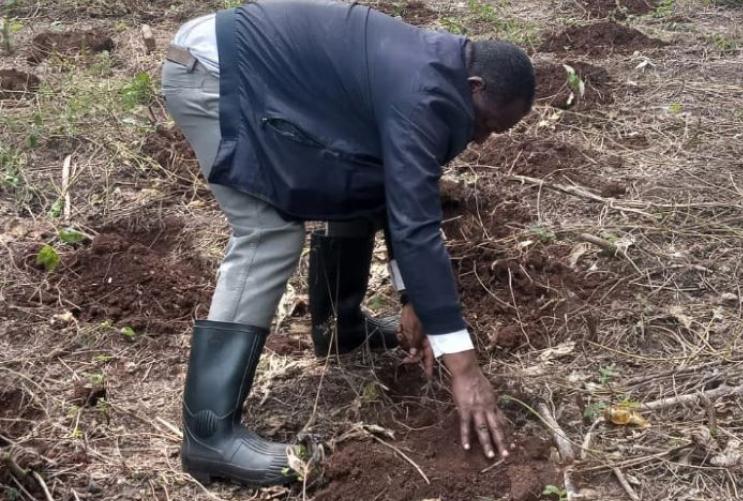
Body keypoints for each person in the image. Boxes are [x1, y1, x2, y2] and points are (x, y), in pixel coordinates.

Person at [161, 0, 535, 487]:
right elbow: (416, 225)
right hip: (215, 74)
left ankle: (341, 326)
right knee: (267, 232)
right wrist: (463, 368)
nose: (482, 139)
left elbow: (396, 190)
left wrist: (412, 297)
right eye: (487, 124)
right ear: (475, 88)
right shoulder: (423, 91)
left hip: (253, 67)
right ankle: (208, 436)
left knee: (359, 175)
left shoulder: (438, 73)